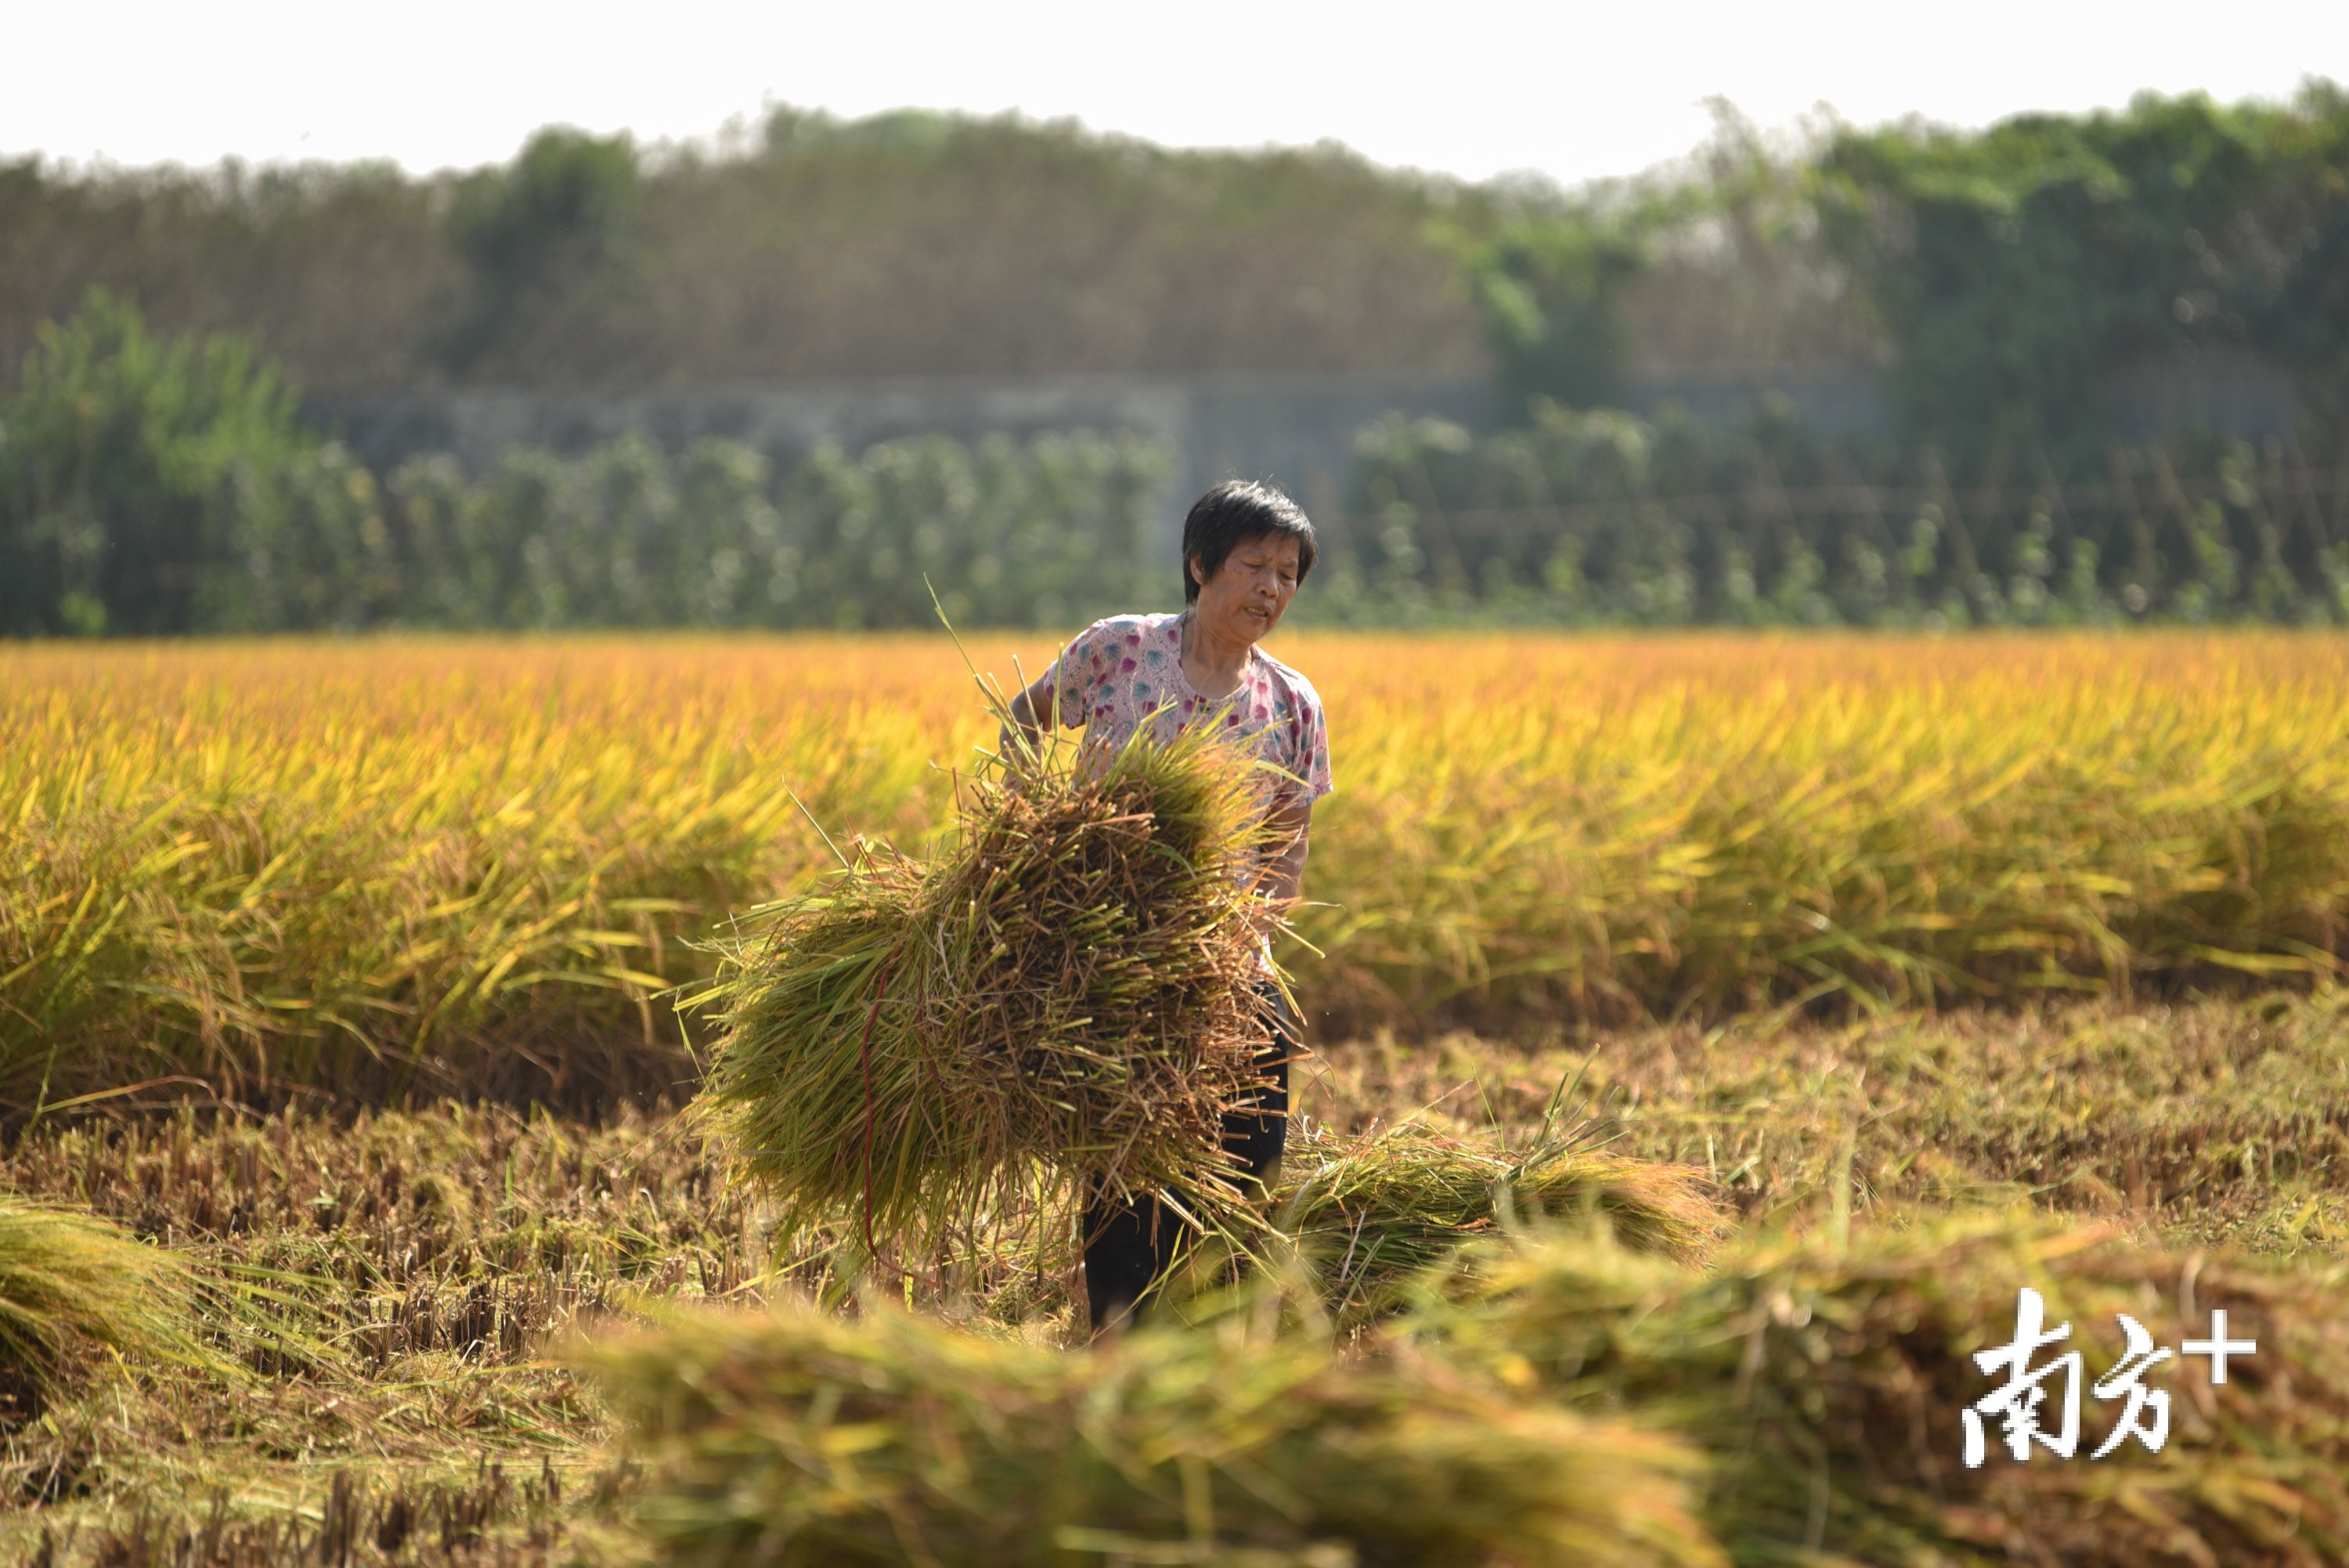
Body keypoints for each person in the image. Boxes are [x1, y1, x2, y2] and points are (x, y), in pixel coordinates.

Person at [1005, 478, 1333, 1334]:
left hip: (1230, 967)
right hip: (1111, 963)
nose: (1270, 589)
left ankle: (1213, 1343)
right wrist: (1026, 831)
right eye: (1253, 565)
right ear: (1199, 564)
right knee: (1127, 1170)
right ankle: (1122, 1342)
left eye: (1288, 574)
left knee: (1248, 1161)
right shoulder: (1117, 652)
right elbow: (1025, 718)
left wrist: (1251, 934)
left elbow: (1287, 839)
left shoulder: (1292, 702)